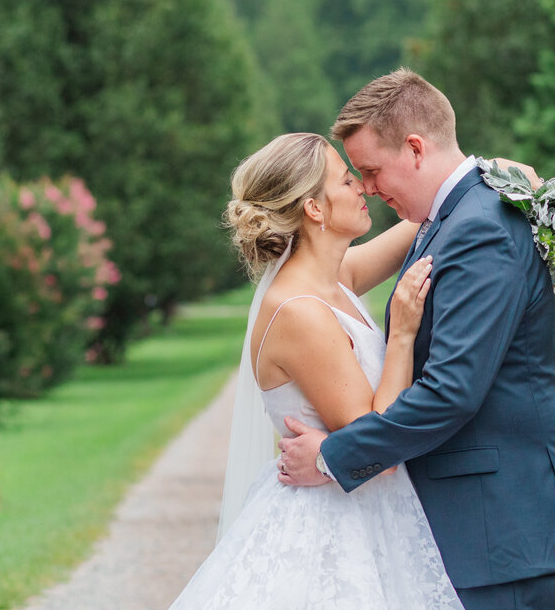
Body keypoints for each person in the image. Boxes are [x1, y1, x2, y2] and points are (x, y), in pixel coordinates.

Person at [279, 68, 555, 610]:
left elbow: (452, 391)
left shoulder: (480, 227)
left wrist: (333, 457)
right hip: (486, 531)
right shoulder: (451, 217)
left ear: (413, 149)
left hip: (510, 533)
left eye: (369, 170)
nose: (366, 188)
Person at [169, 131, 466, 609]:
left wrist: (489, 176)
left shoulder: (335, 279)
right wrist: (402, 335)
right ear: (314, 209)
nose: (364, 189)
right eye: (348, 181)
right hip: (330, 527)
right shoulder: (299, 311)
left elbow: (424, 218)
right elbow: (378, 443)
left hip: (364, 511)